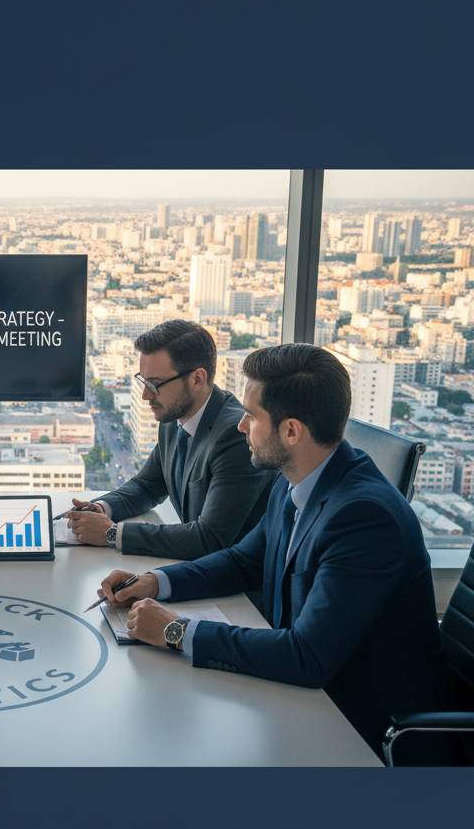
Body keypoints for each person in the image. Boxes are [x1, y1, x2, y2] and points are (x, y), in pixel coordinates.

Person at [98, 343, 457, 762]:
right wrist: (156, 582)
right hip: (309, 700)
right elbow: (243, 560)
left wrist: (177, 631)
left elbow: (307, 657)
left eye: (251, 417)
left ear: (291, 431)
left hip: (370, 728)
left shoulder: (364, 518)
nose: (239, 426)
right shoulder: (297, 478)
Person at [65, 320, 274, 560]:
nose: (145, 395)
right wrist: (101, 508)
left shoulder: (235, 435)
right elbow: (148, 485)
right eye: (144, 382)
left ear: (197, 379)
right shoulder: (173, 418)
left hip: (239, 588)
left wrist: (111, 533)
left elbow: (210, 539)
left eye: (155, 384)